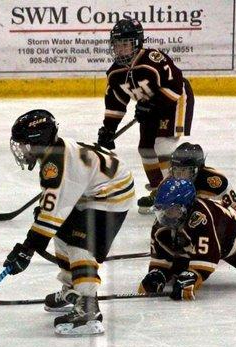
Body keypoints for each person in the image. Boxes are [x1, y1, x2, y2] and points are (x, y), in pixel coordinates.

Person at [3, 109, 135, 336]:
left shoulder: (56, 163)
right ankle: (72, 288)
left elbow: (50, 216)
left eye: (25, 144)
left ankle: (88, 308)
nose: (22, 150)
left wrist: (27, 248)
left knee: (80, 244)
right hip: (93, 192)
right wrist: (33, 241)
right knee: (60, 229)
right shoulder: (53, 153)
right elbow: (52, 212)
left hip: (110, 197)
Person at [96, 17, 194, 214]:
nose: (120, 49)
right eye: (117, 44)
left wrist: (153, 105)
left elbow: (175, 85)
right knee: (145, 149)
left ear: (137, 42)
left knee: (163, 145)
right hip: (148, 107)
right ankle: (159, 190)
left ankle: (177, 194)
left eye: (125, 44)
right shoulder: (115, 73)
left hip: (174, 101)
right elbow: (115, 103)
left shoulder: (153, 60)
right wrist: (108, 129)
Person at [156, 142, 236, 241]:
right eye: (176, 170)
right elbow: (163, 211)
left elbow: (234, 214)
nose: (178, 176)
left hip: (213, 222)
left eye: (184, 171)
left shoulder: (215, 183)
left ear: (197, 168)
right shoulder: (170, 180)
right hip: (187, 222)